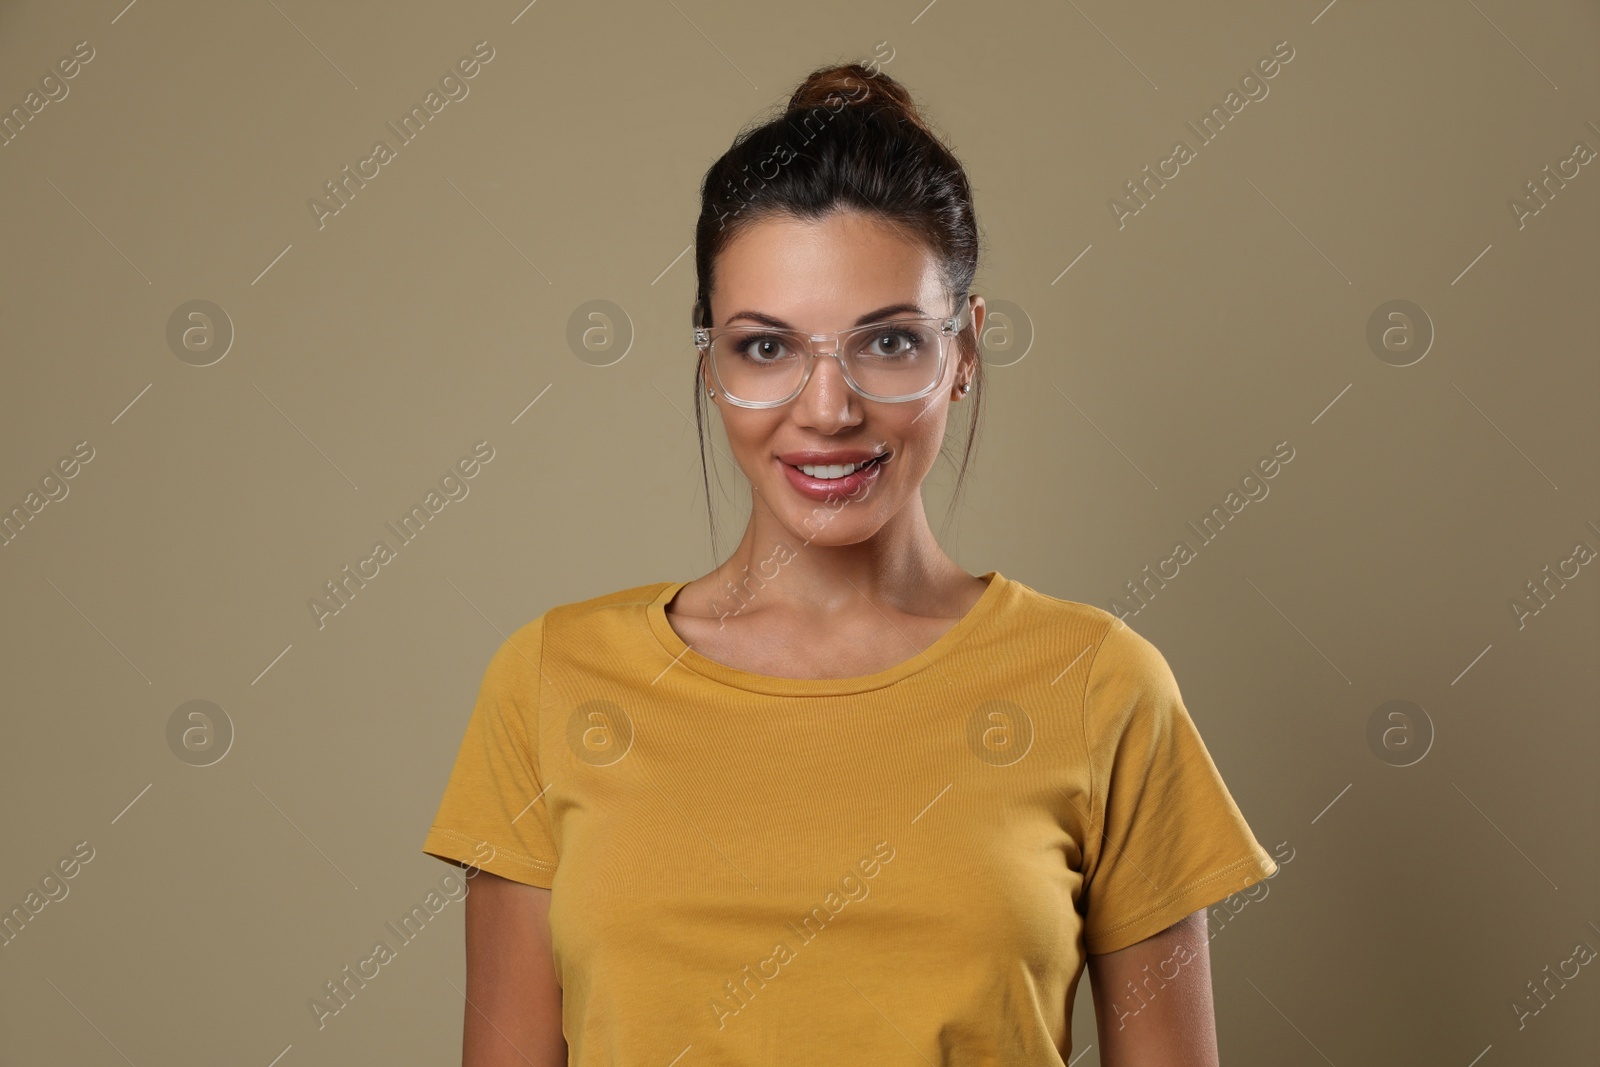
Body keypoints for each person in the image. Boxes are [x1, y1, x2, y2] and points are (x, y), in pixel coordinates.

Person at [422, 60, 1278, 1067]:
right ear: (709, 363)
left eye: (888, 342)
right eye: (766, 348)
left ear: (964, 352)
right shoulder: (551, 681)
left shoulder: (1101, 685)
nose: (826, 409)